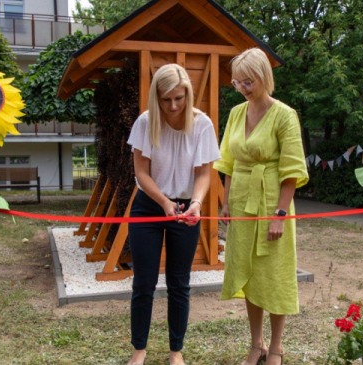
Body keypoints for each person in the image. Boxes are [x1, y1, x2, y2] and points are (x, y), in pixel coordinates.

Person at [214, 48, 309, 365]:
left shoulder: (284, 115)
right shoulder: (236, 114)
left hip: (272, 203)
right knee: (248, 272)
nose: (242, 88)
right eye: (238, 82)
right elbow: (227, 161)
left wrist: (280, 216)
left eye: (248, 81)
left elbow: (292, 169)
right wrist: (225, 202)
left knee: (275, 275)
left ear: (264, 78)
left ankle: (277, 348)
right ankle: (256, 345)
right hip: (241, 202)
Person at [126, 63, 221, 365]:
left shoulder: (202, 124)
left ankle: (175, 351)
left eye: (179, 98)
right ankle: (139, 350)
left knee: (179, 283)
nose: (173, 105)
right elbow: (141, 173)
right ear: (157, 97)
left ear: (188, 95)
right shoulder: (145, 122)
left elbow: (204, 174)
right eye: (166, 99)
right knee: (144, 282)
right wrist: (165, 202)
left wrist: (196, 202)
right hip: (149, 205)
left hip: (186, 208)